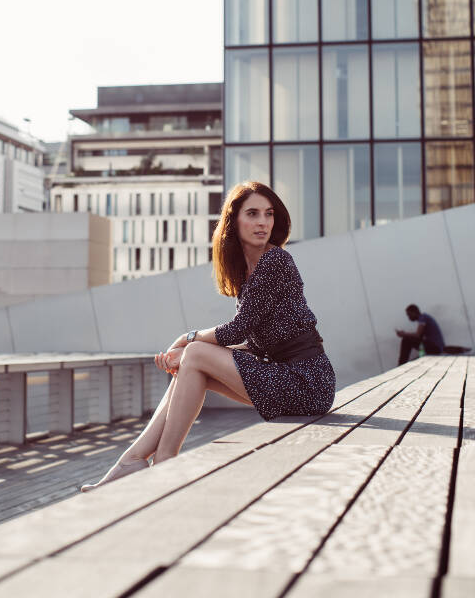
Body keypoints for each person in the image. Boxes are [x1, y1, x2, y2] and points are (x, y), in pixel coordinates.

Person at [80, 180, 336, 492]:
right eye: (253, 214)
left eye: (268, 214)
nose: (263, 223)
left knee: (196, 355)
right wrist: (189, 353)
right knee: (193, 366)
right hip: (288, 378)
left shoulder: (275, 260)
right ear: (234, 221)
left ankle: (161, 462)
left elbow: (236, 330)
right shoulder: (247, 272)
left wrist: (187, 339)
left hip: (306, 381)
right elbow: (253, 344)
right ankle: (133, 459)